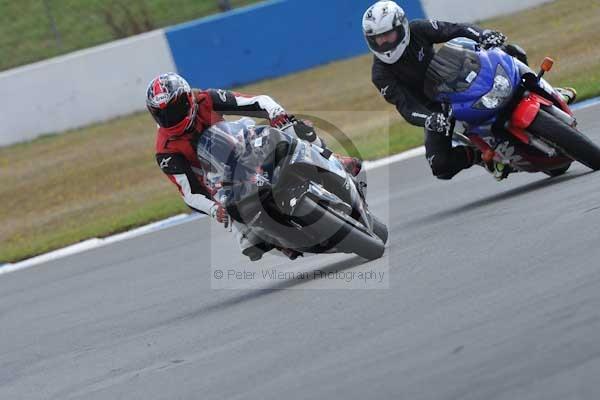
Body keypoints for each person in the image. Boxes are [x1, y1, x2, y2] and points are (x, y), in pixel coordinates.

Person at [147, 72, 361, 261]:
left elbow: (257, 102)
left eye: (175, 110)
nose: (170, 118)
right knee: (249, 242)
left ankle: (334, 159)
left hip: (244, 145)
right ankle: (280, 239)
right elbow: (189, 193)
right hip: (219, 181)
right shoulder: (165, 151)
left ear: (187, 100)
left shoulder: (206, 99)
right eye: (163, 114)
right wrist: (214, 210)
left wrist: (275, 113)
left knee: (293, 128)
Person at [362, 1, 577, 181]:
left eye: (388, 35)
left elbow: (455, 29)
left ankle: (540, 89)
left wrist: (484, 34)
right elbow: (405, 106)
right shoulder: (380, 74)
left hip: (455, 74)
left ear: (402, 27)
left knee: (507, 51)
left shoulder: (418, 29)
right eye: (378, 39)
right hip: (436, 108)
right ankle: (480, 155)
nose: (384, 42)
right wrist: (429, 119)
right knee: (440, 165)